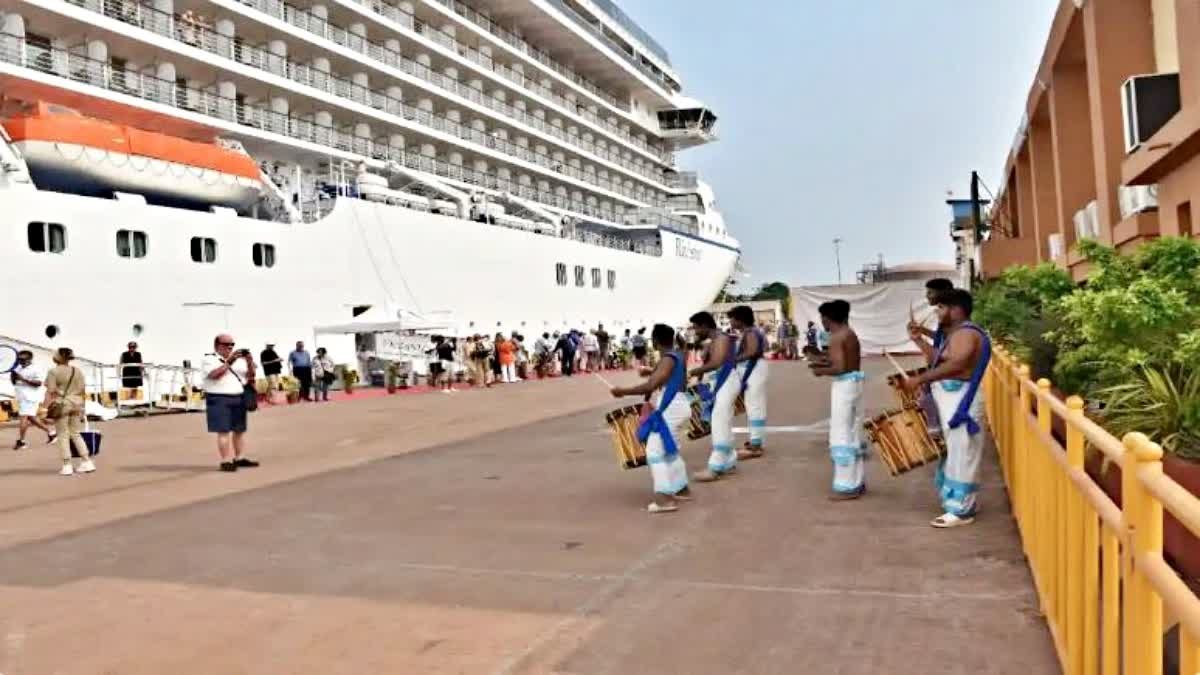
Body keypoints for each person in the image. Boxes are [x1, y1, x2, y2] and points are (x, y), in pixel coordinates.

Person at [904, 289, 992, 528]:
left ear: (956, 309)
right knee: (957, 452)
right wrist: (919, 340)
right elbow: (941, 359)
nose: (937, 312)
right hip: (955, 402)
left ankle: (961, 511)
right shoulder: (956, 334)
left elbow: (957, 365)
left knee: (963, 454)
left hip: (962, 403)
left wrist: (921, 379)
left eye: (941, 308)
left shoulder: (965, 333)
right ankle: (961, 503)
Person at [609, 324, 693, 513]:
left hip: (671, 407)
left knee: (654, 452)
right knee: (670, 449)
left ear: (655, 341)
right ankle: (681, 488)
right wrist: (650, 372)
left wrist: (622, 391)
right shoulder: (678, 355)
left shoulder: (668, 359)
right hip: (678, 405)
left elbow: (651, 385)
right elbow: (665, 376)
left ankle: (664, 499)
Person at [808, 301, 866, 499]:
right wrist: (822, 359)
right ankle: (856, 481)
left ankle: (847, 485)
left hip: (844, 386)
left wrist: (819, 371)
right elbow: (845, 361)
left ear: (827, 318)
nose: (821, 322)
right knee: (852, 433)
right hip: (854, 384)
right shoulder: (849, 333)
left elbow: (840, 368)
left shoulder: (837, 336)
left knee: (841, 434)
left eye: (822, 318)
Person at [687, 311, 739, 482]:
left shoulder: (721, 339)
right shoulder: (716, 340)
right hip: (722, 382)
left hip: (726, 382)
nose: (695, 332)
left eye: (696, 328)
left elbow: (717, 363)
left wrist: (694, 371)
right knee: (722, 420)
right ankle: (729, 461)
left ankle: (715, 467)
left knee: (719, 421)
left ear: (704, 325)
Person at [202, 334, 261, 472]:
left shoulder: (240, 360)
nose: (230, 347)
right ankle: (225, 460)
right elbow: (214, 375)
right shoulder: (209, 359)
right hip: (219, 398)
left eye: (232, 345)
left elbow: (250, 376)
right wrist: (230, 360)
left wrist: (249, 361)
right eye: (226, 344)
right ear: (217, 345)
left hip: (238, 397)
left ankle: (239, 458)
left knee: (239, 430)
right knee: (223, 431)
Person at [43, 347, 94, 476]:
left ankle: (67, 464)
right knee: (76, 433)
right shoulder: (77, 371)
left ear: (58, 357)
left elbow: (51, 391)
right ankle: (86, 461)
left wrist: (44, 409)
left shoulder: (53, 372)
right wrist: (83, 408)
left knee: (62, 435)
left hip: (63, 404)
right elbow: (83, 391)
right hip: (77, 404)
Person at [729, 306, 770, 459]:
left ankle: (756, 445)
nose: (731, 322)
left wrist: (733, 360)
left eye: (732, 318)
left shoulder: (751, 332)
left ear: (740, 320)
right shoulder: (751, 332)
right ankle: (756, 440)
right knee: (753, 405)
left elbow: (752, 352)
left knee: (754, 406)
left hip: (754, 370)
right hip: (753, 370)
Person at [11, 350, 54, 450]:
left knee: (23, 418)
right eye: (19, 359)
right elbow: (14, 382)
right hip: (22, 397)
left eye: (22, 359)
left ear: (29, 359)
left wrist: (23, 379)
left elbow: (38, 383)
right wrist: (13, 375)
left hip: (29, 397)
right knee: (31, 418)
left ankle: (21, 441)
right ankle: (51, 433)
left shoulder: (36, 369)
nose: (20, 361)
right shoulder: (18, 368)